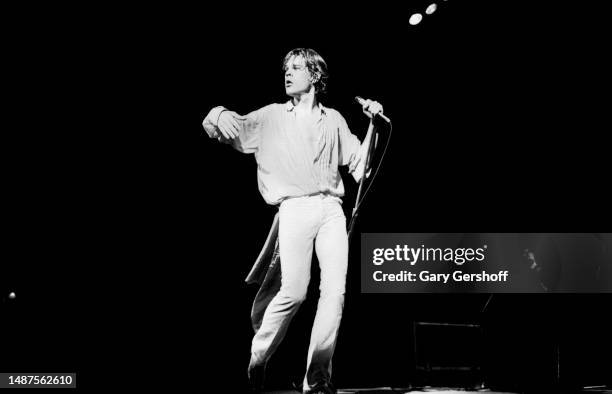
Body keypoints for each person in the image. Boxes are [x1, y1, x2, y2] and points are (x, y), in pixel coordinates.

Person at [202, 48, 385, 394]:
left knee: (335, 294)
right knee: (295, 291)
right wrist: (217, 112)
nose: (288, 73)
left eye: (297, 67)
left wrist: (374, 124)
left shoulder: (334, 119)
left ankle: (317, 378)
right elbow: (223, 127)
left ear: (315, 76)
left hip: (331, 208)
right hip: (295, 208)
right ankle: (259, 355)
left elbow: (360, 166)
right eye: (286, 68)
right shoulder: (272, 116)